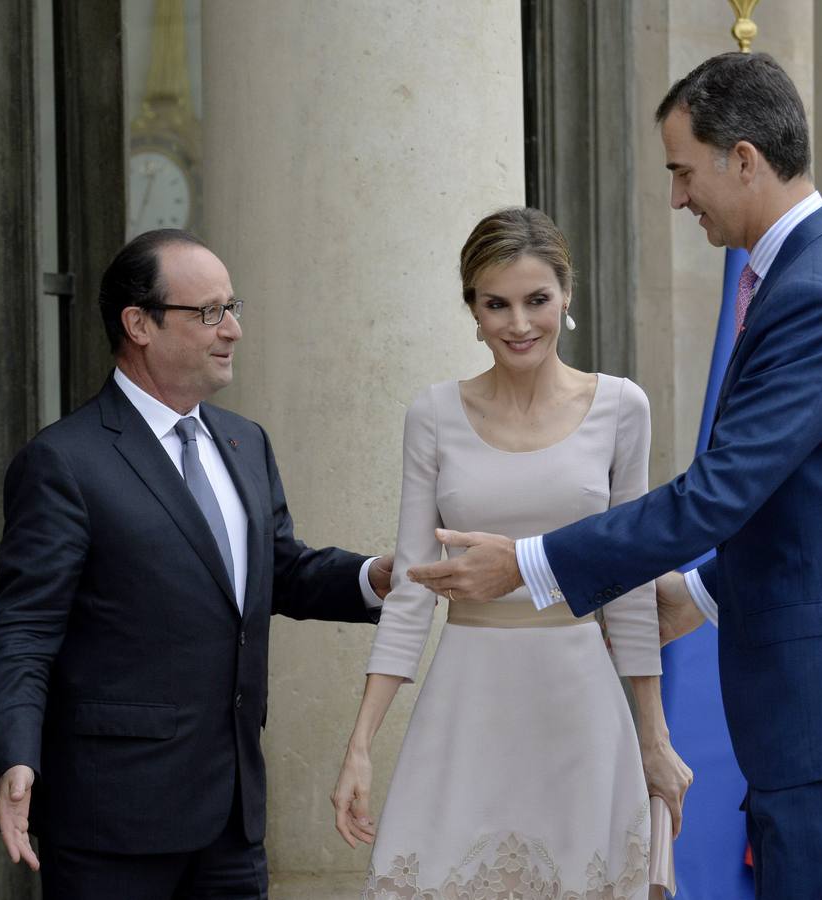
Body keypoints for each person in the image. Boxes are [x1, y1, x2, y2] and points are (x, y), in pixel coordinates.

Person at [409, 53, 822, 900]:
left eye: (681, 170)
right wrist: (700, 595)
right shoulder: (814, 275)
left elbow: (720, 493)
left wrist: (524, 564)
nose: (676, 198)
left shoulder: (816, 293)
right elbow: (813, 505)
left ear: (742, 159)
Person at [0, 228, 392, 900]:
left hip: (231, 817)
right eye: (208, 313)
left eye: (233, 308)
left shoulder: (243, 441)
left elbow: (279, 570)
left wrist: (376, 577)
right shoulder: (66, 462)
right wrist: (14, 754)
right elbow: (23, 630)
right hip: (112, 821)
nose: (231, 330)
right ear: (137, 323)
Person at [331, 208, 689, 900]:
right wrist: (359, 746)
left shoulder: (623, 409)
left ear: (567, 294)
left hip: (582, 704)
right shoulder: (432, 414)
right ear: (472, 308)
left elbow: (631, 587)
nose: (519, 324)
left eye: (537, 300)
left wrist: (655, 738)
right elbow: (410, 588)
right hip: (467, 702)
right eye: (496, 304)